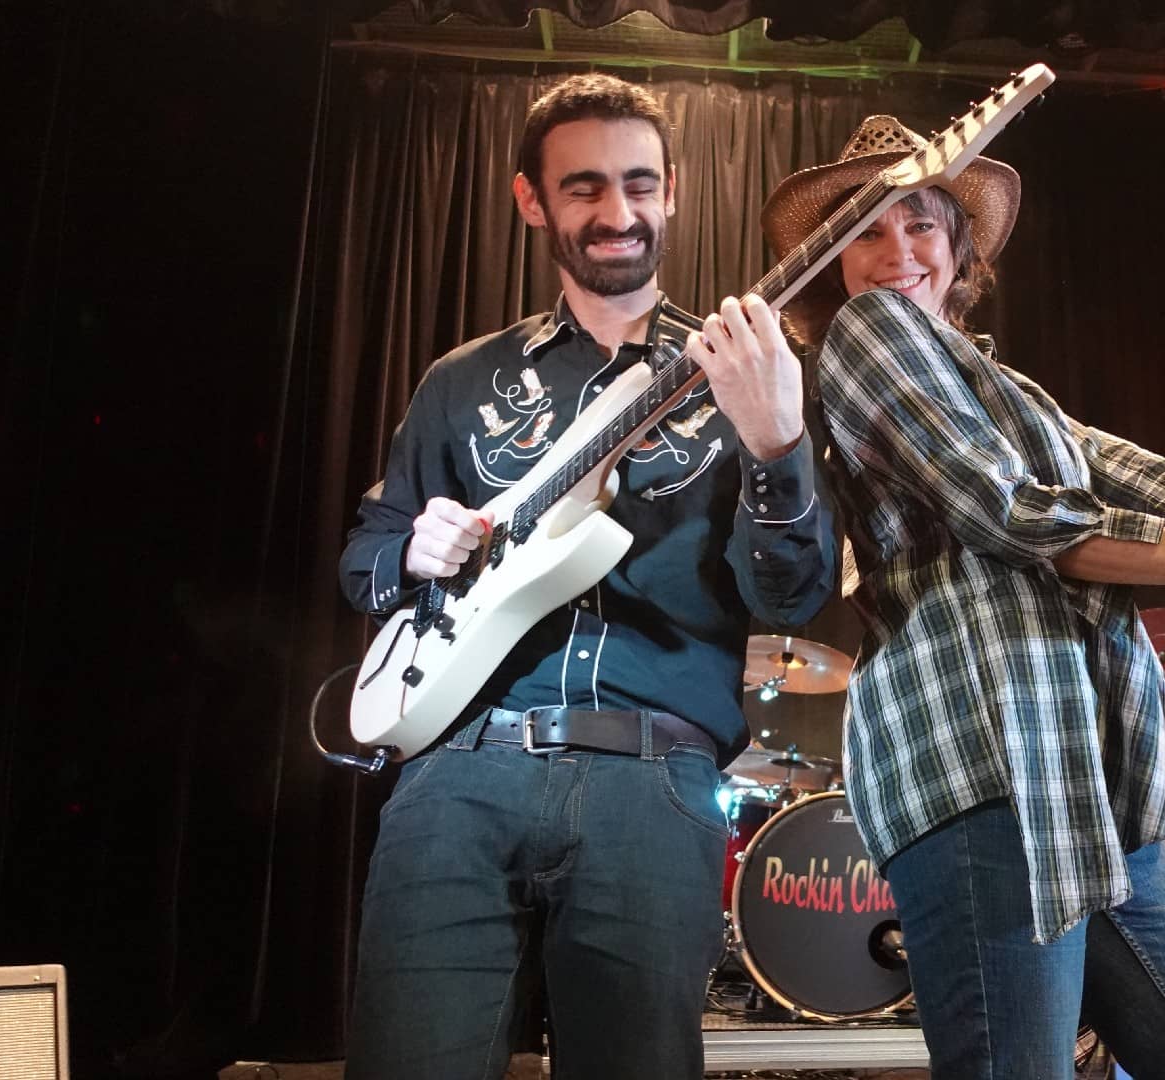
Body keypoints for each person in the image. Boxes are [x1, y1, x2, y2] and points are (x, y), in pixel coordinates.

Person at [759, 116, 1165, 1079]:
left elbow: (1139, 480)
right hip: (980, 770)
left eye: (922, 225)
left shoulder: (1013, 391)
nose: (897, 255)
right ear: (833, 265)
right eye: (867, 232)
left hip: (1084, 786)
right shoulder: (868, 333)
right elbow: (1007, 512)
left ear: (960, 246)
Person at [337, 73, 836, 1079]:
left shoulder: (743, 370)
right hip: (455, 768)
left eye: (641, 184)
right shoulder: (462, 380)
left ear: (676, 190)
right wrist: (411, 551)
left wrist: (778, 443)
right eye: (585, 188)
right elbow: (365, 562)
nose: (619, 213)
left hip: (653, 780)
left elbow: (792, 599)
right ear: (532, 200)